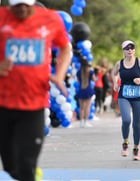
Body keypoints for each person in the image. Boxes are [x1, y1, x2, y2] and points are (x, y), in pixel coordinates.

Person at [0, 1, 72, 181]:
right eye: (18, 6)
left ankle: (30, 173)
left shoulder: (50, 19)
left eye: (26, 5)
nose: (23, 9)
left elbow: (65, 47)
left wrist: (59, 74)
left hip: (35, 103)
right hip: (4, 103)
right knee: (10, 166)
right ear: (9, 5)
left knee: (26, 162)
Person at [112, 40, 140, 160]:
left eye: (132, 47)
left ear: (134, 49)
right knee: (126, 120)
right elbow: (113, 73)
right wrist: (115, 82)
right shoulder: (119, 64)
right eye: (127, 48)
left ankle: (136, 148)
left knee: (137, 124)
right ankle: (125, 143)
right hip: (124, 95)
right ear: (123, 51)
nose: (130, 50)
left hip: (138, 96)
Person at [76, 61, 95, 127]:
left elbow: (78, 81)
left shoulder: (78, 72)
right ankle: (86, 122)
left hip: (81, 89)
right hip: (88, 90)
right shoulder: (90, 72)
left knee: (81, 108)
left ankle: (81, 122)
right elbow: (94, 79)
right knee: (87, 107)